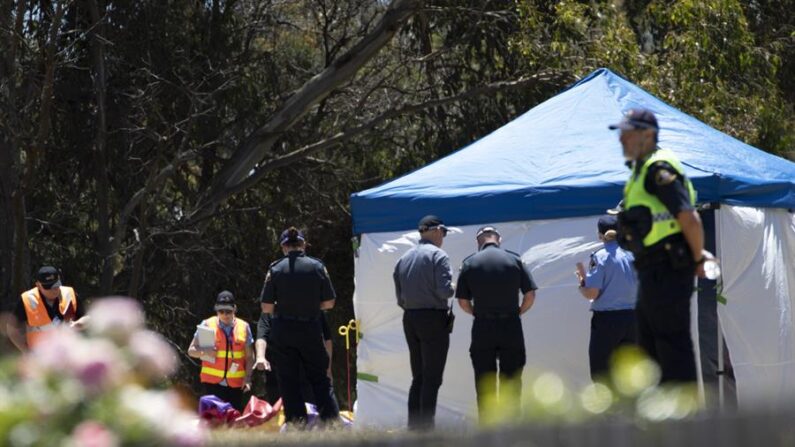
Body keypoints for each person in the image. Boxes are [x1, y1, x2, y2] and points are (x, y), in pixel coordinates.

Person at [609, 108, 716, 383]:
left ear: (648, 135)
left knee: (671, 343)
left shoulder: (659, 169)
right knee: (649, 345)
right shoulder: (640, 171)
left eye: (628, 134)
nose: (622, 140)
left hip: (668, 266)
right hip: (651, 269)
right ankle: (661, 415)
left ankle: (684, 417)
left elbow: (688, 217)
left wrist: (697, 258)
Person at [260, 227, 340, 427]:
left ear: (283, 247)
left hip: (284, 331)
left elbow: (266, 307)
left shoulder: (275, 269)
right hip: (310, 329)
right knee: (320, 379)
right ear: (303, 244)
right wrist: (311, 305)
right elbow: (330, 302)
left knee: (288, 380)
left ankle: (297, 425)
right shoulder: (317, 267)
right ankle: (331, 423)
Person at [455, 226, 536, 420]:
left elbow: (463, 301)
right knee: (512, 381)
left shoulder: (469, 263)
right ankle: (512, 429)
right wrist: (518, 312)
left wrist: (477, 313)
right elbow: (530, 294)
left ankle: (488, 429)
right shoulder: (515, 260)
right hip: (511, 326)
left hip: (483, 327)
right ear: (498, 239)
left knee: (485, 381)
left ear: (479, 241)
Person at [393, 215, 455, 430]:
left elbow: (400, 298)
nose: (444, 237)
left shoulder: (404, 258)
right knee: (432, 378)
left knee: (418, 377)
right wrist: (455, 284)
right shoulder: (439, 256)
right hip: (432, 319)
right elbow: (444, 291)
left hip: (410, 318)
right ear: (437, 230)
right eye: (444, 232)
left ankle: (414, 429)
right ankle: (426, 432)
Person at [574, 216, 638, 381]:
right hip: (635, 319)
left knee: (602, 374)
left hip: (608, 322)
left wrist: (582, 284)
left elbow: (592, 294)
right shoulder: (634, 253)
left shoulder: (600, 257)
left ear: (600, 235)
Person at [187, 291, 254, 412]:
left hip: (236, 384)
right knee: (214, 420)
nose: (225, 314)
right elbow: (191, 350)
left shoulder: (244, 327)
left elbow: (250, 357)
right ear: (216, 310)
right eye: (221, 311)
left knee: (233, 420)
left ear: (235, 309)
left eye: (228, 311)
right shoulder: (207, 324)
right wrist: (205, 353)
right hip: (212, 384)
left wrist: (248, 378)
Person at [253, 310, 334, 404]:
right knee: (279, 412)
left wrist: (328, 369)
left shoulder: (313, 307)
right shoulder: (269, 310)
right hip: (278, 373)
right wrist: (260, 356)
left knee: (310, 409)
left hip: (307, 372)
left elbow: (327, 339)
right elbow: (261, 336)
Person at [7, 266, 89, 352]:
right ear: (38, 285)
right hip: (40, 358)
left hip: (69, 355)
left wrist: (79, 324)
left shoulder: (69, 294)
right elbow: (12, 328)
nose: (54, 290)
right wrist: (26, 351)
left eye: (56, 285)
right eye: (49, 287)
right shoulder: (27, 299)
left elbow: (87, 318)